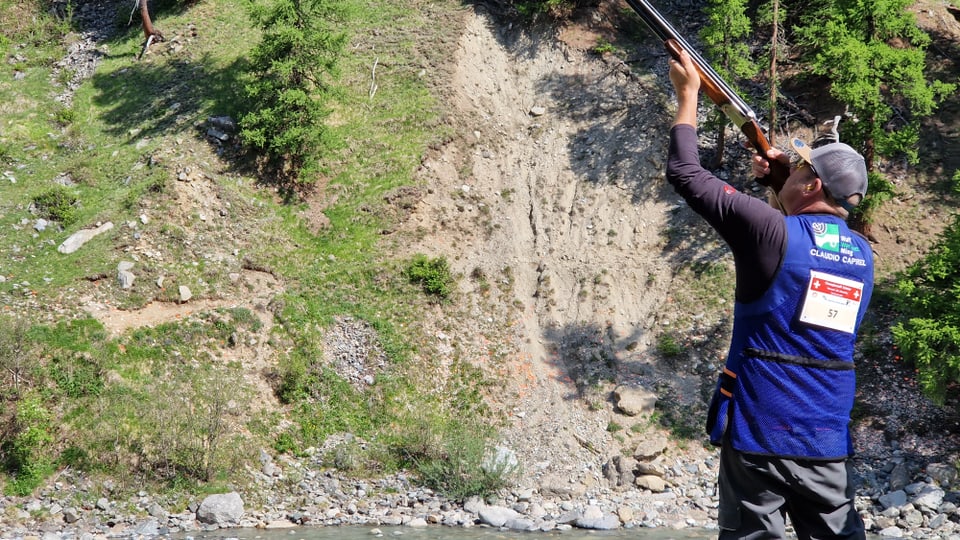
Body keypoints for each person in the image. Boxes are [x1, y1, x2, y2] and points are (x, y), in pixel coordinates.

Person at [665, 50, 874, 540]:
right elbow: (806, 243)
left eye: (801, 170)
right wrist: (781, 182)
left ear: (812, 183)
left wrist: (688, 95)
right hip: (824, 434)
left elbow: (686, 173)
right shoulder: (864, 255)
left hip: (759, 425)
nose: (791, 170)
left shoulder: (771, 232)